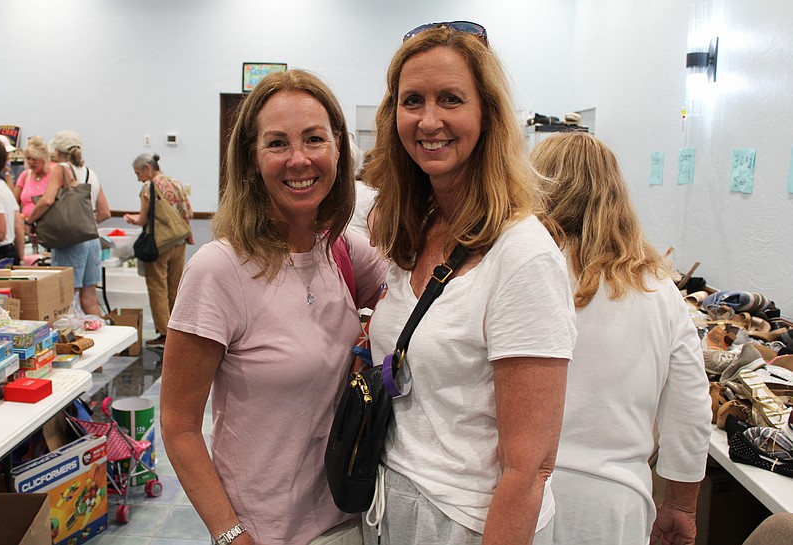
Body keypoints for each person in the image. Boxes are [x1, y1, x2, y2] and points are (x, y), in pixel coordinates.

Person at [362, 22, 577, 545]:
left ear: (487, 114)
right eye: (412, 100)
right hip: (393, 503)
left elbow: (529, 469)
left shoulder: (522, 255)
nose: (429, 120)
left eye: (451, 99)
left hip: (468, 521)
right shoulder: (417, 229)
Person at [159, 69, 388, 545]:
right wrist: (230, 533)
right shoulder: (219, 271)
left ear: (339, 148)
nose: (299, 159)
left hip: (350, 522)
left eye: (314, 139)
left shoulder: (344, 251)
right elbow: (179, 426)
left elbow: (421, 293)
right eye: (277, 143)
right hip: (265, 533)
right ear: (251, 158)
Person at [530, 131, 712, 545]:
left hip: (516, 491)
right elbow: (690, 407)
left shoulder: (519, 270)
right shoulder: (657, 289)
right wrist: (681, 505)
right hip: (614, 505)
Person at [29, 130, 110, 316]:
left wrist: (29, 220)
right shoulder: (91, 173)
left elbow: (47, 200)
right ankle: (97, 338)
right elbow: (105, 212)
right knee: (90, 299)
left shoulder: (61, 169)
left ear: (56, 152)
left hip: (70, 243)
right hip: (92, 240)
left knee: (65, 299)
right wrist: (84, 224)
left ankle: (70, 341)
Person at [123, 153, 193, 348]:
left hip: (159, 245)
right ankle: (179, 331)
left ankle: (164, 335)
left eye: (138, 173)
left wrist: (131, 219)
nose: (138, 178)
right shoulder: (176, 183)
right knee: (176, 289)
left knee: (157, 289)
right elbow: (189, 212)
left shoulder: (149, 187)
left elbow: (143, 220)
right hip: (179, 241)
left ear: (147, 168)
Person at [14, 135, 55, 219]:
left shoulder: (54, 175)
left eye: (34, 158)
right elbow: (14, 202)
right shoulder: (25, 175)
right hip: (25, 223)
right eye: (28, 158)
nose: (31, 162)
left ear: (44, 158)